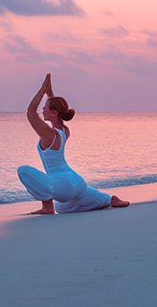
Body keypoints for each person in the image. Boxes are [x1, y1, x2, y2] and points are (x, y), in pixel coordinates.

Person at [17, 73, 128, 214]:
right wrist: (49, 92)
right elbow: (55, 107)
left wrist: (42, 89)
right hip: (77, 183)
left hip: (62, 185)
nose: (42, 110)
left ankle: (47, 206)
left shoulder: (49, 135)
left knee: (23, 170)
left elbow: (30, 112)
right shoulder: (64, 130)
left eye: (45, 107)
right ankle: (109, 200)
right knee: (63, 207)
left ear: (54, 113)